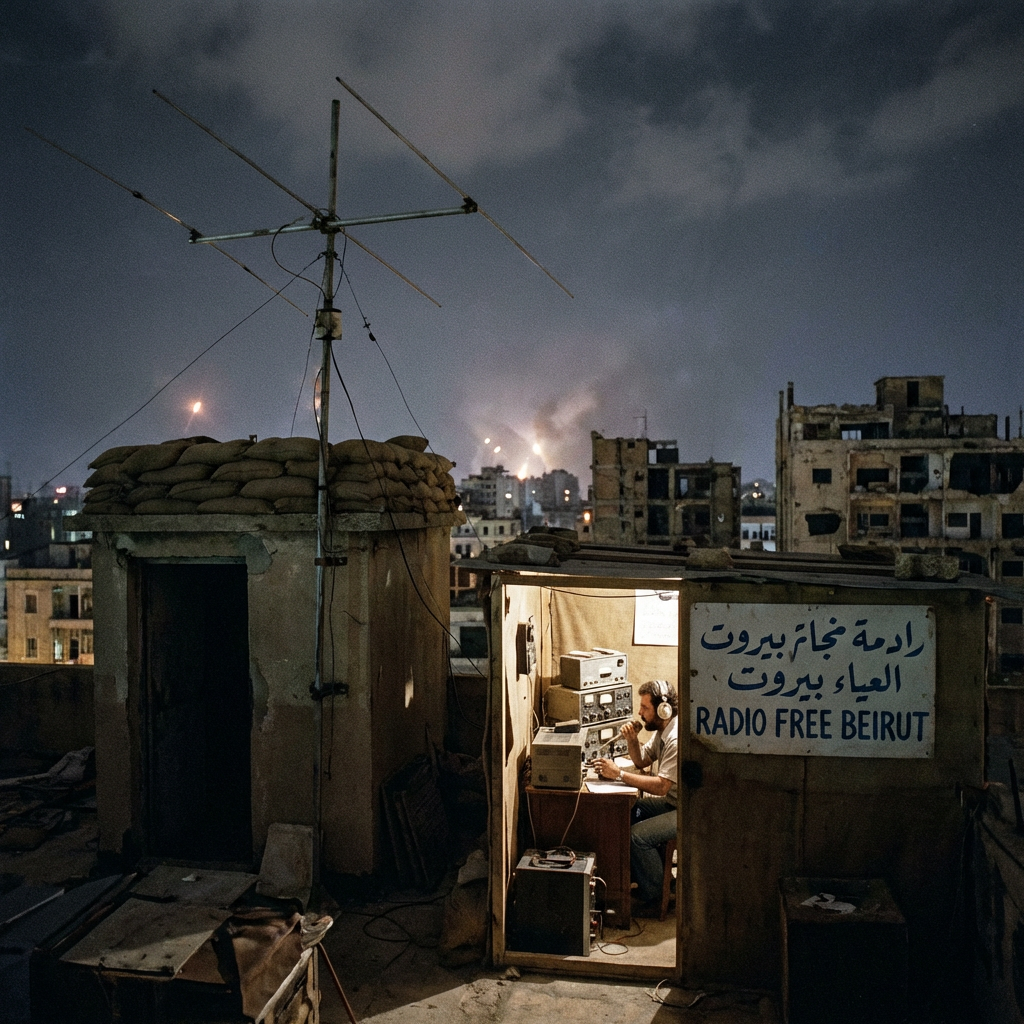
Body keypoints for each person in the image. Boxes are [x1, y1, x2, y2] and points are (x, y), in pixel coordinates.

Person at [593, 679, 678, 915]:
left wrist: (618, 774)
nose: (640, 713)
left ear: (664, 709)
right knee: (629, 810)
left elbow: (661, 787)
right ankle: (642, 879)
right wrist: (632, 740)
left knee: (636, 837)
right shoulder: (662, 731)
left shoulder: (675, 738)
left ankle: (658, 892)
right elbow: (642, 761)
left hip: (687, 811)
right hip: (672, 803)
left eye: (645, 708)